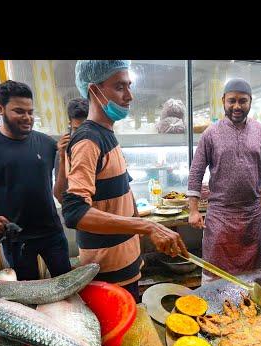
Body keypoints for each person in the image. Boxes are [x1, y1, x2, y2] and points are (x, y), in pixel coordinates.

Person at [62, 60, 187, 301]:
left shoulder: (107, 134)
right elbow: (74, 212)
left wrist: (146, 229)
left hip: (126, 265)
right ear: (93, 90)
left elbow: (123, 192)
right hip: (107, 273)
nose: (129, 96)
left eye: (129, 86)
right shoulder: (88, 141)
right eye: (120, 87)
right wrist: (147, 227)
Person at [0, 80, 72, 281]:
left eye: (30, 112)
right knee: (28, 292)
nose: (27, 118)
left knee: (65, 285)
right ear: (0, 109)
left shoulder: (46, 143)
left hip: (52, 232)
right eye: (19, 111)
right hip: (15, 237)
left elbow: (63, 182)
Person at [187, 78, 261, 283]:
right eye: (232, 100)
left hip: (252, 215)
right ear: (223, 100)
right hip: (220, 215)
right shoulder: (210, 133)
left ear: (250, 102)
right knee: (214, 274)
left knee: (251, 277)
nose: (237, 106)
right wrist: (193, 210)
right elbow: (196, 171)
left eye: (243, 101)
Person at [54, 97, 89, 202]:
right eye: (77, 129)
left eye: (86, 129)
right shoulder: (64, 151)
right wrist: (63, 158)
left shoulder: (100, 145)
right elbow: (60, 197)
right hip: (77, 215)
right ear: (70, 124)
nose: (82, 135)